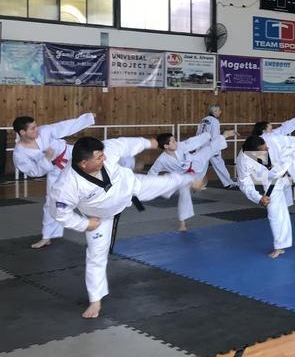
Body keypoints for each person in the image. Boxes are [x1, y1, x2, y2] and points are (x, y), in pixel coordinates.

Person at [47, 136, 204, 318]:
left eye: (102, 155)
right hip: (99, 217)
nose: (104, 159)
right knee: (96, 256)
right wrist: (84, 224)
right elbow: (59, 213)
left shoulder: (108, 151)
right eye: (98, 158)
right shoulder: (66, 185)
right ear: (84, 163)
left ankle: (189, 179)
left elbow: (126, 144)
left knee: (165, 182)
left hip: (130, 187)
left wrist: (149, 143)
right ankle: (95, 301)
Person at [12, 112, 95, 249]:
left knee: (91, 189)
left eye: (36, 126)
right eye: (32, 128)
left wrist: (88, 119)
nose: (37, 129)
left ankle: (99, 226)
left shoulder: (44, 131)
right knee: (52, 203)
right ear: (22, 132)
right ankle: (47, 236)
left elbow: (66, 126)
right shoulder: (19, 154)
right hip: (55, 171)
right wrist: (47, 159)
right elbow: (34, 172)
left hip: (73, 157)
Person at [149, 130, 236, 231]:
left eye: (175, 140)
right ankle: (182, 223)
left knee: (208, 149)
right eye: (173, 141)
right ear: (166, 146)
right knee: (184, 195)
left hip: (195, 163)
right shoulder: (161, 160)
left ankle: (224, 135)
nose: (176, 142)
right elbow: (152, 173)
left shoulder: (180, 146)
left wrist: (207, 135)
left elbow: (193, 141)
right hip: (183, 177)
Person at [196, 105, 236, 189]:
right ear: (214, 112)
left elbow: (198, 133)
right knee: (219, 165)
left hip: (201, 145)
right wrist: (216, 147)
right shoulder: (215, 121)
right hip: (211, 146)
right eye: (219, 111)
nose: (220, 112)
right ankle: (228, 183)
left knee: (202, 166)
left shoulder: (203, 119)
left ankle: (196, 184)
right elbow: (215, 136)